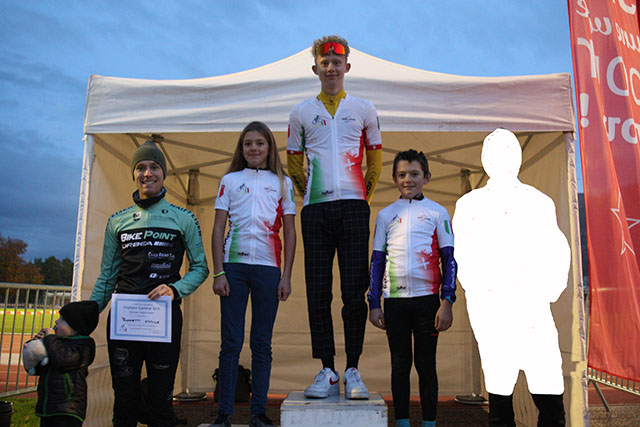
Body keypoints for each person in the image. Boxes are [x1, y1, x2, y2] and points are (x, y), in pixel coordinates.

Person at [287, 34, 382, 399]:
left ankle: (353, 368)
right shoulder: (300, 112)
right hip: (316, 210)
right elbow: (294, 162)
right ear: (315, 68)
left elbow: (375, 160)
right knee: (317, 291)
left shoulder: (364, 108)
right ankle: (326, 369)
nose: (331, 68)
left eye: (336, 63)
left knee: (353, 292)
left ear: (347, 67)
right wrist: (310, 194)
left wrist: (362, 197)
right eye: (324, 63)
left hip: (354, 207)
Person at [453, 128, 569, 426]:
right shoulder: (471, 205)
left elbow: (557, 251)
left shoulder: (538, 202)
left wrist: (546, 292)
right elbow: (465, 260)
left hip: (527, 311)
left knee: (542, 395)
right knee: (507, 398)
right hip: (500, 311)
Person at [90, 139, 209, 427]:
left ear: (163, 173)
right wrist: (83, 318)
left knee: (160, 402)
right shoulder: (117, 221)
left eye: (154, 167)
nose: (147, 173)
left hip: (163, 319)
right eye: (140, 167)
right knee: (125, 401)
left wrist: (175, 290)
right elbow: (107, 277)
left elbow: (201, 268)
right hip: (125, 321)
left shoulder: (184, 218)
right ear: (133, 173)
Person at [211, 121, 296, 427]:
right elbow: (218, 227)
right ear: (241, 148)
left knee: (261, 343)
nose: (254, 148)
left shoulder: (282, 182)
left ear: (269, 147)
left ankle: (258, 412)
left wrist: (286, 276)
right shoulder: (230, 180)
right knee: (231, 342)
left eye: (260, 143)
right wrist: (218, 272)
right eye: (248, 143)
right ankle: (224, 414)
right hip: (233, 268)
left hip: (268, 269)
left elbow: (290, 231)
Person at [368, 150, 457, 427]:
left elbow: (449, 259)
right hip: (395, 302)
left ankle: (429, 423)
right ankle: (403, 423)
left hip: (428, 301)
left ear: (426, 177)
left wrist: (447, 301)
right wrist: (374, 303)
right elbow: (377, 261)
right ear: (395, 179)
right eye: (402, 175)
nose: (408, 179)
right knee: (399, 365)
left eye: (414, 174)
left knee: (426, 365)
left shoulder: (437, 212)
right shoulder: (385, 215)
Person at [25, 300, 99, 427]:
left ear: (76, 328)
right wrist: (34, 346)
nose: (56, 322)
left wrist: (50, 338)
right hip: (49, 407)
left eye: (62, 320)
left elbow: (63, 360)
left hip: (67, 409)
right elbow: (37, 368)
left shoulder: (83, 346)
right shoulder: (57, 343)